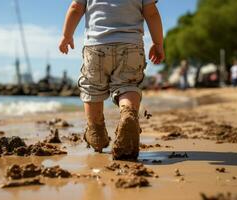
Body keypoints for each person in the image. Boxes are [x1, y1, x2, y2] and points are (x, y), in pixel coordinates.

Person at [59, 0, 164, 160]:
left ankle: (96, 130)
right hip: (131, 46)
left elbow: (75, 7)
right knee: (128, 86)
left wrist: (67, 36)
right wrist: (158, 44)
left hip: (96, 47)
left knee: (92, 88)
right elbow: (152, 12)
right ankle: (128, 113)